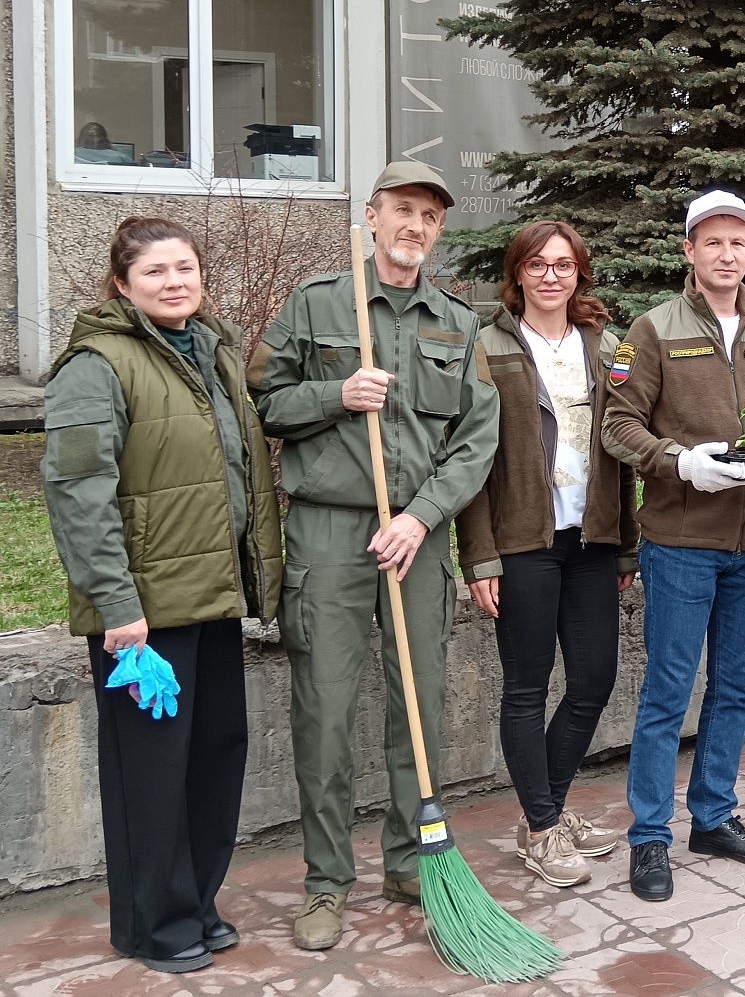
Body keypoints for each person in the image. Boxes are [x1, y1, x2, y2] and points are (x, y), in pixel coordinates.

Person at [250, 161, 501, 951]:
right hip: (328, 533)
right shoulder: (318, 303)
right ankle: (326, 881)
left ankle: (408, 858)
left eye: (429, 216)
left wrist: (424, 517)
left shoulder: (456, 325)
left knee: (418, 708)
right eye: (402, 211)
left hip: (415, 541)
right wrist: (336, 395)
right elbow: (263, 402)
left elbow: (476, 439)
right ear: (371, 215)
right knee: (323, 709)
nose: (414, 227)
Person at [41, 216, 283, 973]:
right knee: (150, 772)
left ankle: (196, 902)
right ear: (122, 284)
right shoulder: (97, 364)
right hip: (145, 615)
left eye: (185, 268)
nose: (175, 281)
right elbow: (79, 491)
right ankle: (155, 924)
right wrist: (117, 606)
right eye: (155, 272)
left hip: (212, 593)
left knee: (216, 755)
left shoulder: (209, 352)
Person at [602, 189, 745, 901]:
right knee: (667, 692)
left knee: (735, 687)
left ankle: (714, 815)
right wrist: (678, 460)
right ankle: (650, 837)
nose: (727, 254)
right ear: (688, 251)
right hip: (682, 541)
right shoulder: (651, 330)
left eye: (738, 243)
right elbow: (618, 425)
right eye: (712, 242)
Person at [455, 220, 638, 887]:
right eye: (538, 264)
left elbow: (622, 447)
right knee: (527, 688)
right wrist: (479, 556)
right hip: (522, 543)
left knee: (593, 680)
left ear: (579, 273)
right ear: (519, 274)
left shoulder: (608, 345)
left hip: (591, 541)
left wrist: (625, 547)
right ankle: (540, 825)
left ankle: (548, 812)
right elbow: (468, 456)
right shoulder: (489, 345)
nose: (551, 275)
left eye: (564, 264)